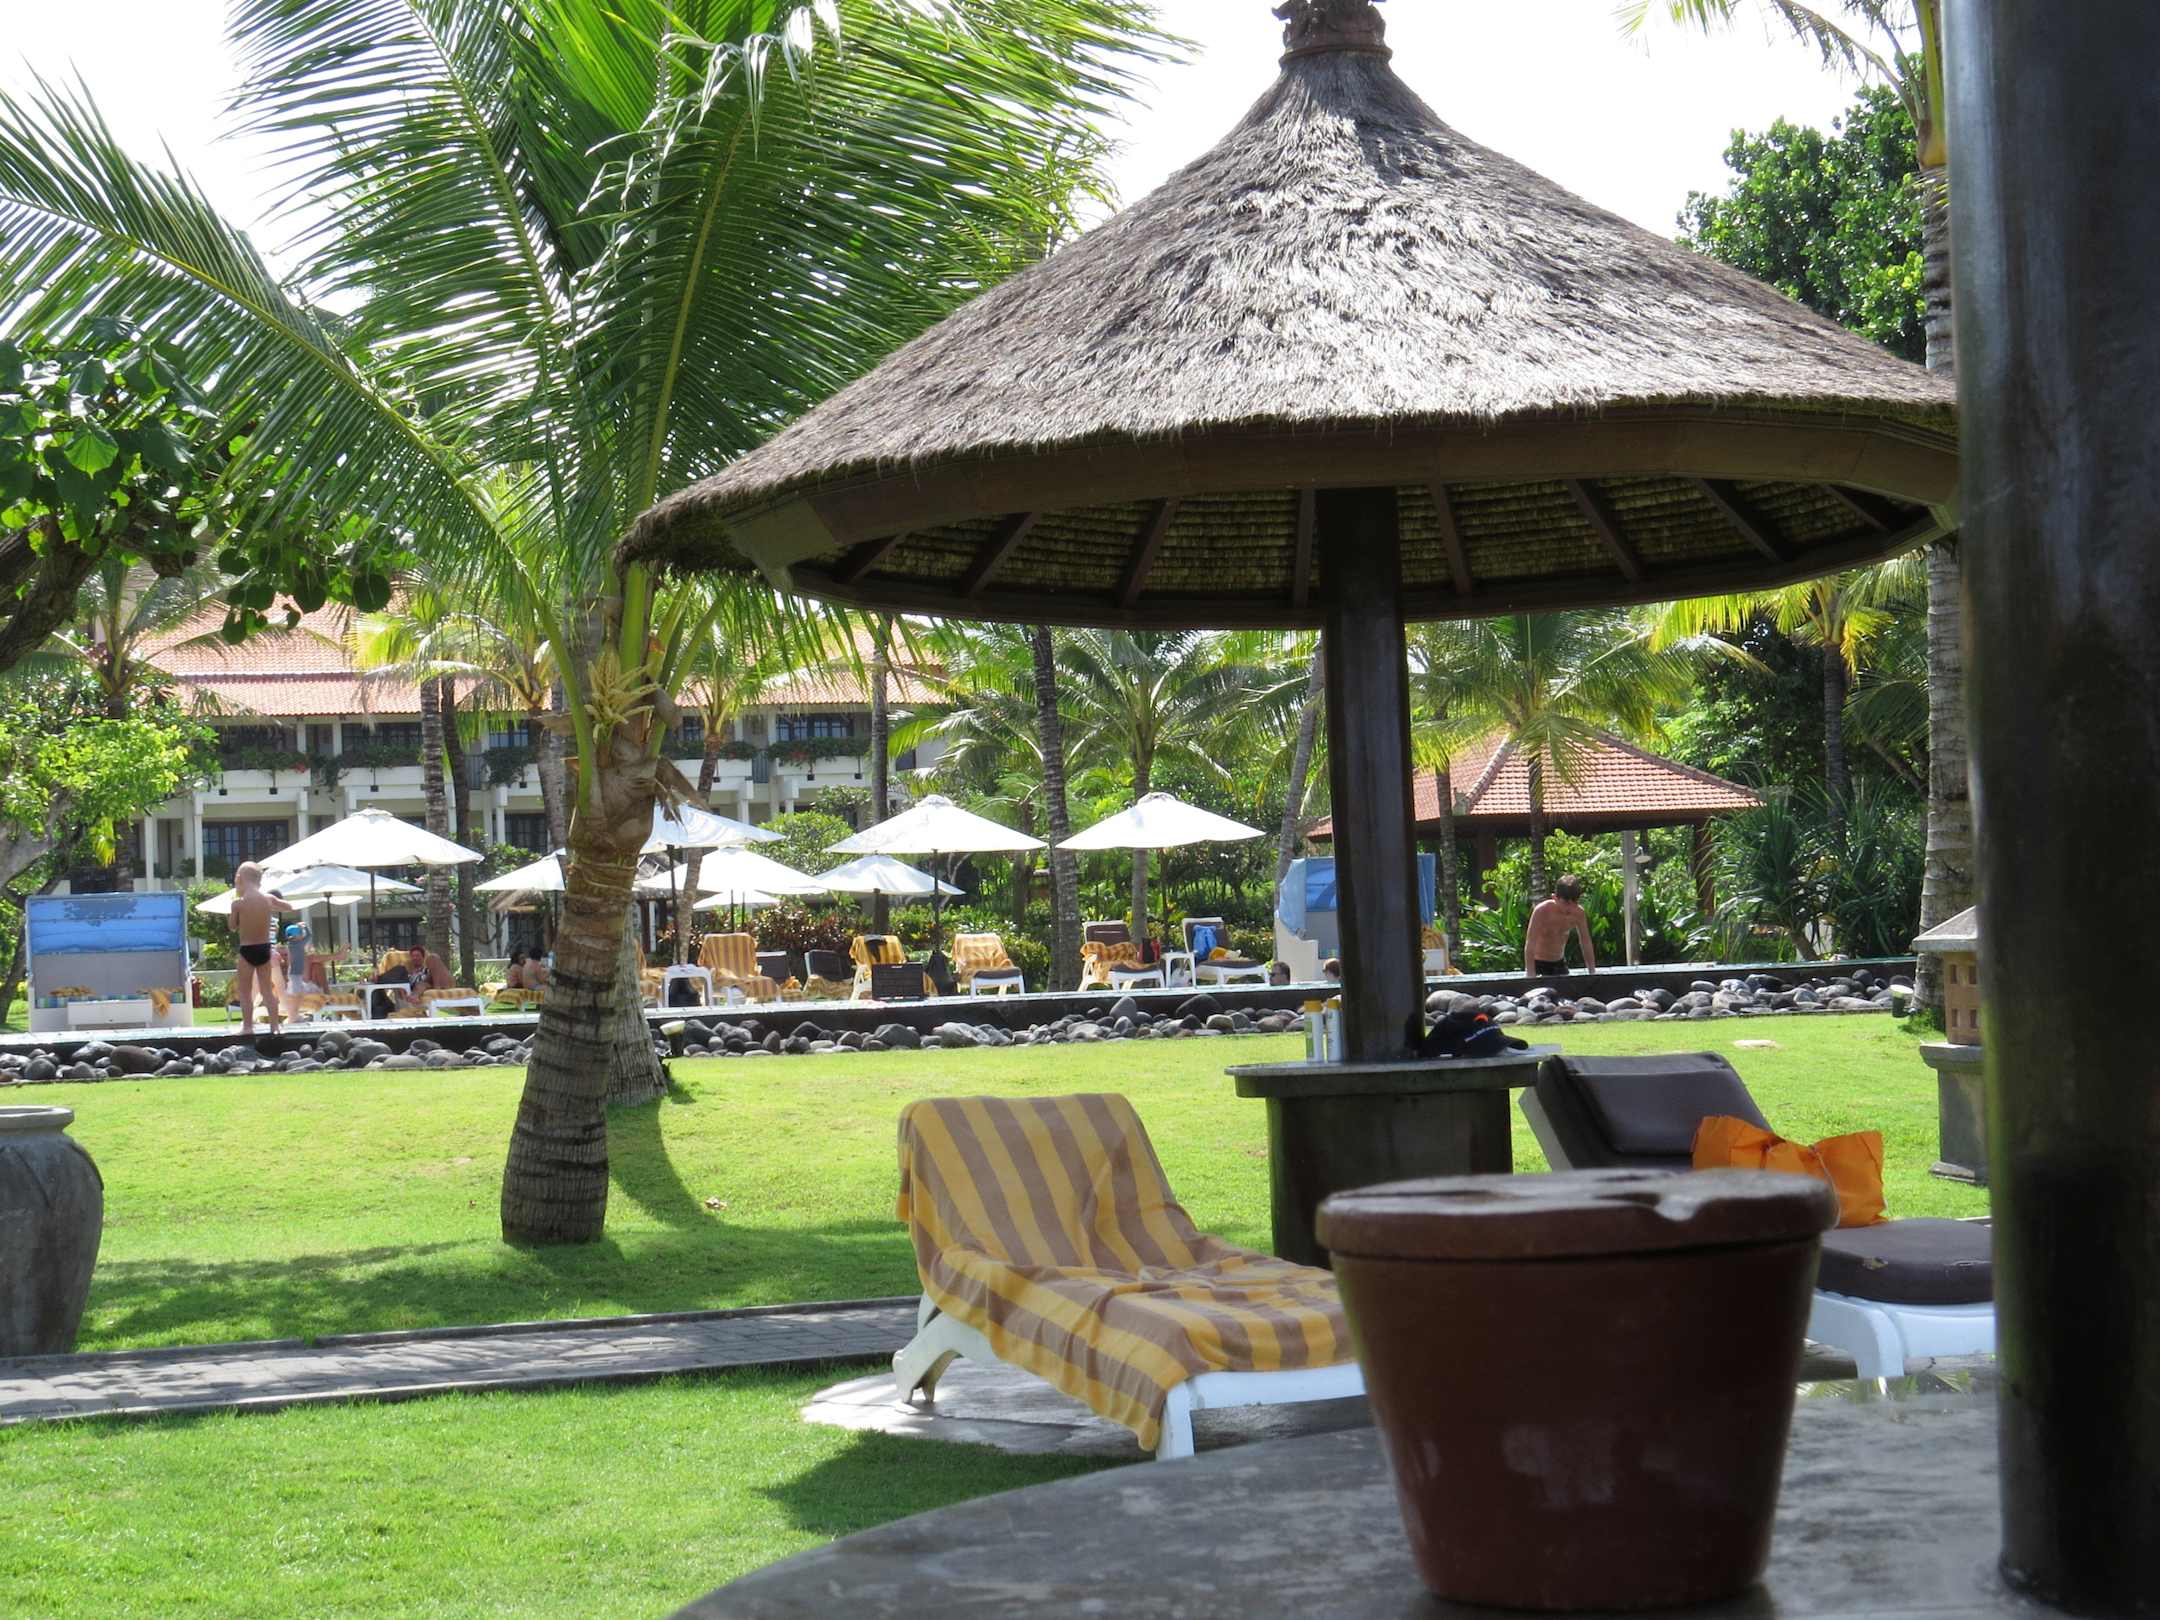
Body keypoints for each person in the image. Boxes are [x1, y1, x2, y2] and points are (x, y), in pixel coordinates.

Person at [229, 862, 298, 1038]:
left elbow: (232, 927)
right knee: (267, 990)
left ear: (239, 879)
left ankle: (247, 1027)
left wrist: (235, 913)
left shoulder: (238, 904)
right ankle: (275, 1026)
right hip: (264, 949)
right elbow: (289, 907)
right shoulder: (268, 899)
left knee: (245, 991)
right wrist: (274, 905)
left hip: (247, 950)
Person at [1524, 875, 1597, 977]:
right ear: (1555, 898)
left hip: (1559, 964)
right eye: (1566, 903)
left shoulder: (1579, 913)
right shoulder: (1542, 911)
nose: (1570, 908)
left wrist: (1592, 972)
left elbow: (1586, 942)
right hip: (1538, 964)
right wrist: (1530, 974)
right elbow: (1530, 943)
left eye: (1574, 903)